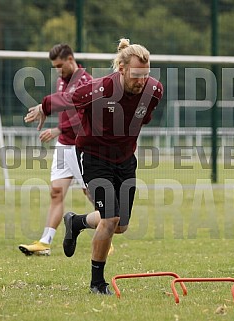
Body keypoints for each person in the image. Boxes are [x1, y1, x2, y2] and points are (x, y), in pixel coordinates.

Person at [24, 38, 163, 294]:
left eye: (145, 75)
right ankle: (97, 283)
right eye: (135, 75)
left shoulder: (154, 91)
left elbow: (143, 117)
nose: (141, 81)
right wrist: (44, 107)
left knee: (121, 225)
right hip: (94, 157)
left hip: (125, 160)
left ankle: (76, 222)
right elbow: (67, 98)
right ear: (121, 69)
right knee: (110, 219)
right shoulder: (98, 90)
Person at [19, 43, 96, 256]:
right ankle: (45, 242)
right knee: (56, 193)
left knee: (90, 193)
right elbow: (62, 105)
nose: (58, 70)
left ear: (71, 59)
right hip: (64, 146)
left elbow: (82, 117)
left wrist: (57, 129)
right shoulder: (61, 81)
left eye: (60, 65)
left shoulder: (86, 82)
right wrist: (47, 113)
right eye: (54, 67)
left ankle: (104, 232)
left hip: (82, 146)